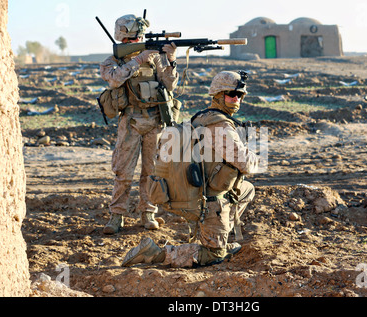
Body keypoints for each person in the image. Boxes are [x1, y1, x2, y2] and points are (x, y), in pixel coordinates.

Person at [121, 70, 259, 267]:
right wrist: (257, 158)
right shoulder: (221, 126)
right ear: (218, 96)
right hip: (210, 202)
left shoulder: (203, 117)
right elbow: (245, 163)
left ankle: (213, 232)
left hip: (196, 192)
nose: (236, 99)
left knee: (246, 189)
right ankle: (156, 254)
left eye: (239, 95)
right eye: (231, 95)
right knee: (214, 255)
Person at [99, 14, 179, 234]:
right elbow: (114, 79)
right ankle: (117, 216)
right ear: (122, 39)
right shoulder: (113, 61)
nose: (134, 43)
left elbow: (170, 86)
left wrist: (171, 60)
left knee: (151, 172)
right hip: (131, 121)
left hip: (155, 120)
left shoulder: (156, 59)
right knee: (123, 172)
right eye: (130, 40)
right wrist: (137, 60)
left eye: (137, 39)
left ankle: (148, 213)